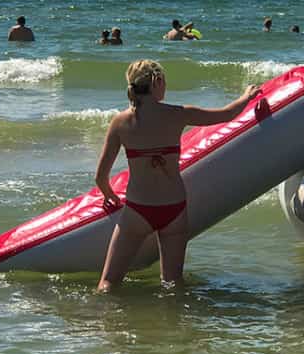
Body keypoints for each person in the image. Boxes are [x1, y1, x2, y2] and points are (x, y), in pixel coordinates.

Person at [94, 60, 260, 292]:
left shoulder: (121, 122)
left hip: (138, 209)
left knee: (109, 283)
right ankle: (174, 326)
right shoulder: (178, 114)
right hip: (174, 208)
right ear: (157, 83)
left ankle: (104, 324)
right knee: (172, 284)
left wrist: (110, 196)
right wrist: (247, 95)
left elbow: (101, 176)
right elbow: (227, 115)